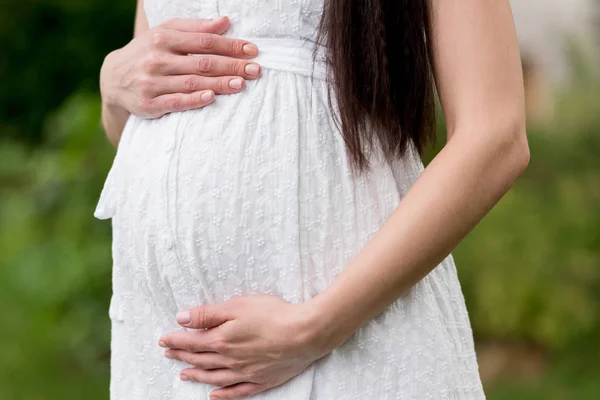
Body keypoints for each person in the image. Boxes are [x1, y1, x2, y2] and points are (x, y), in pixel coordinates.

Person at [96, 0, 529, 399]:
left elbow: (495, 136)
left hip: (341, 339)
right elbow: (138, 121)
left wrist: (314, 329)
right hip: (159, 349)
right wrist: (113, 84)